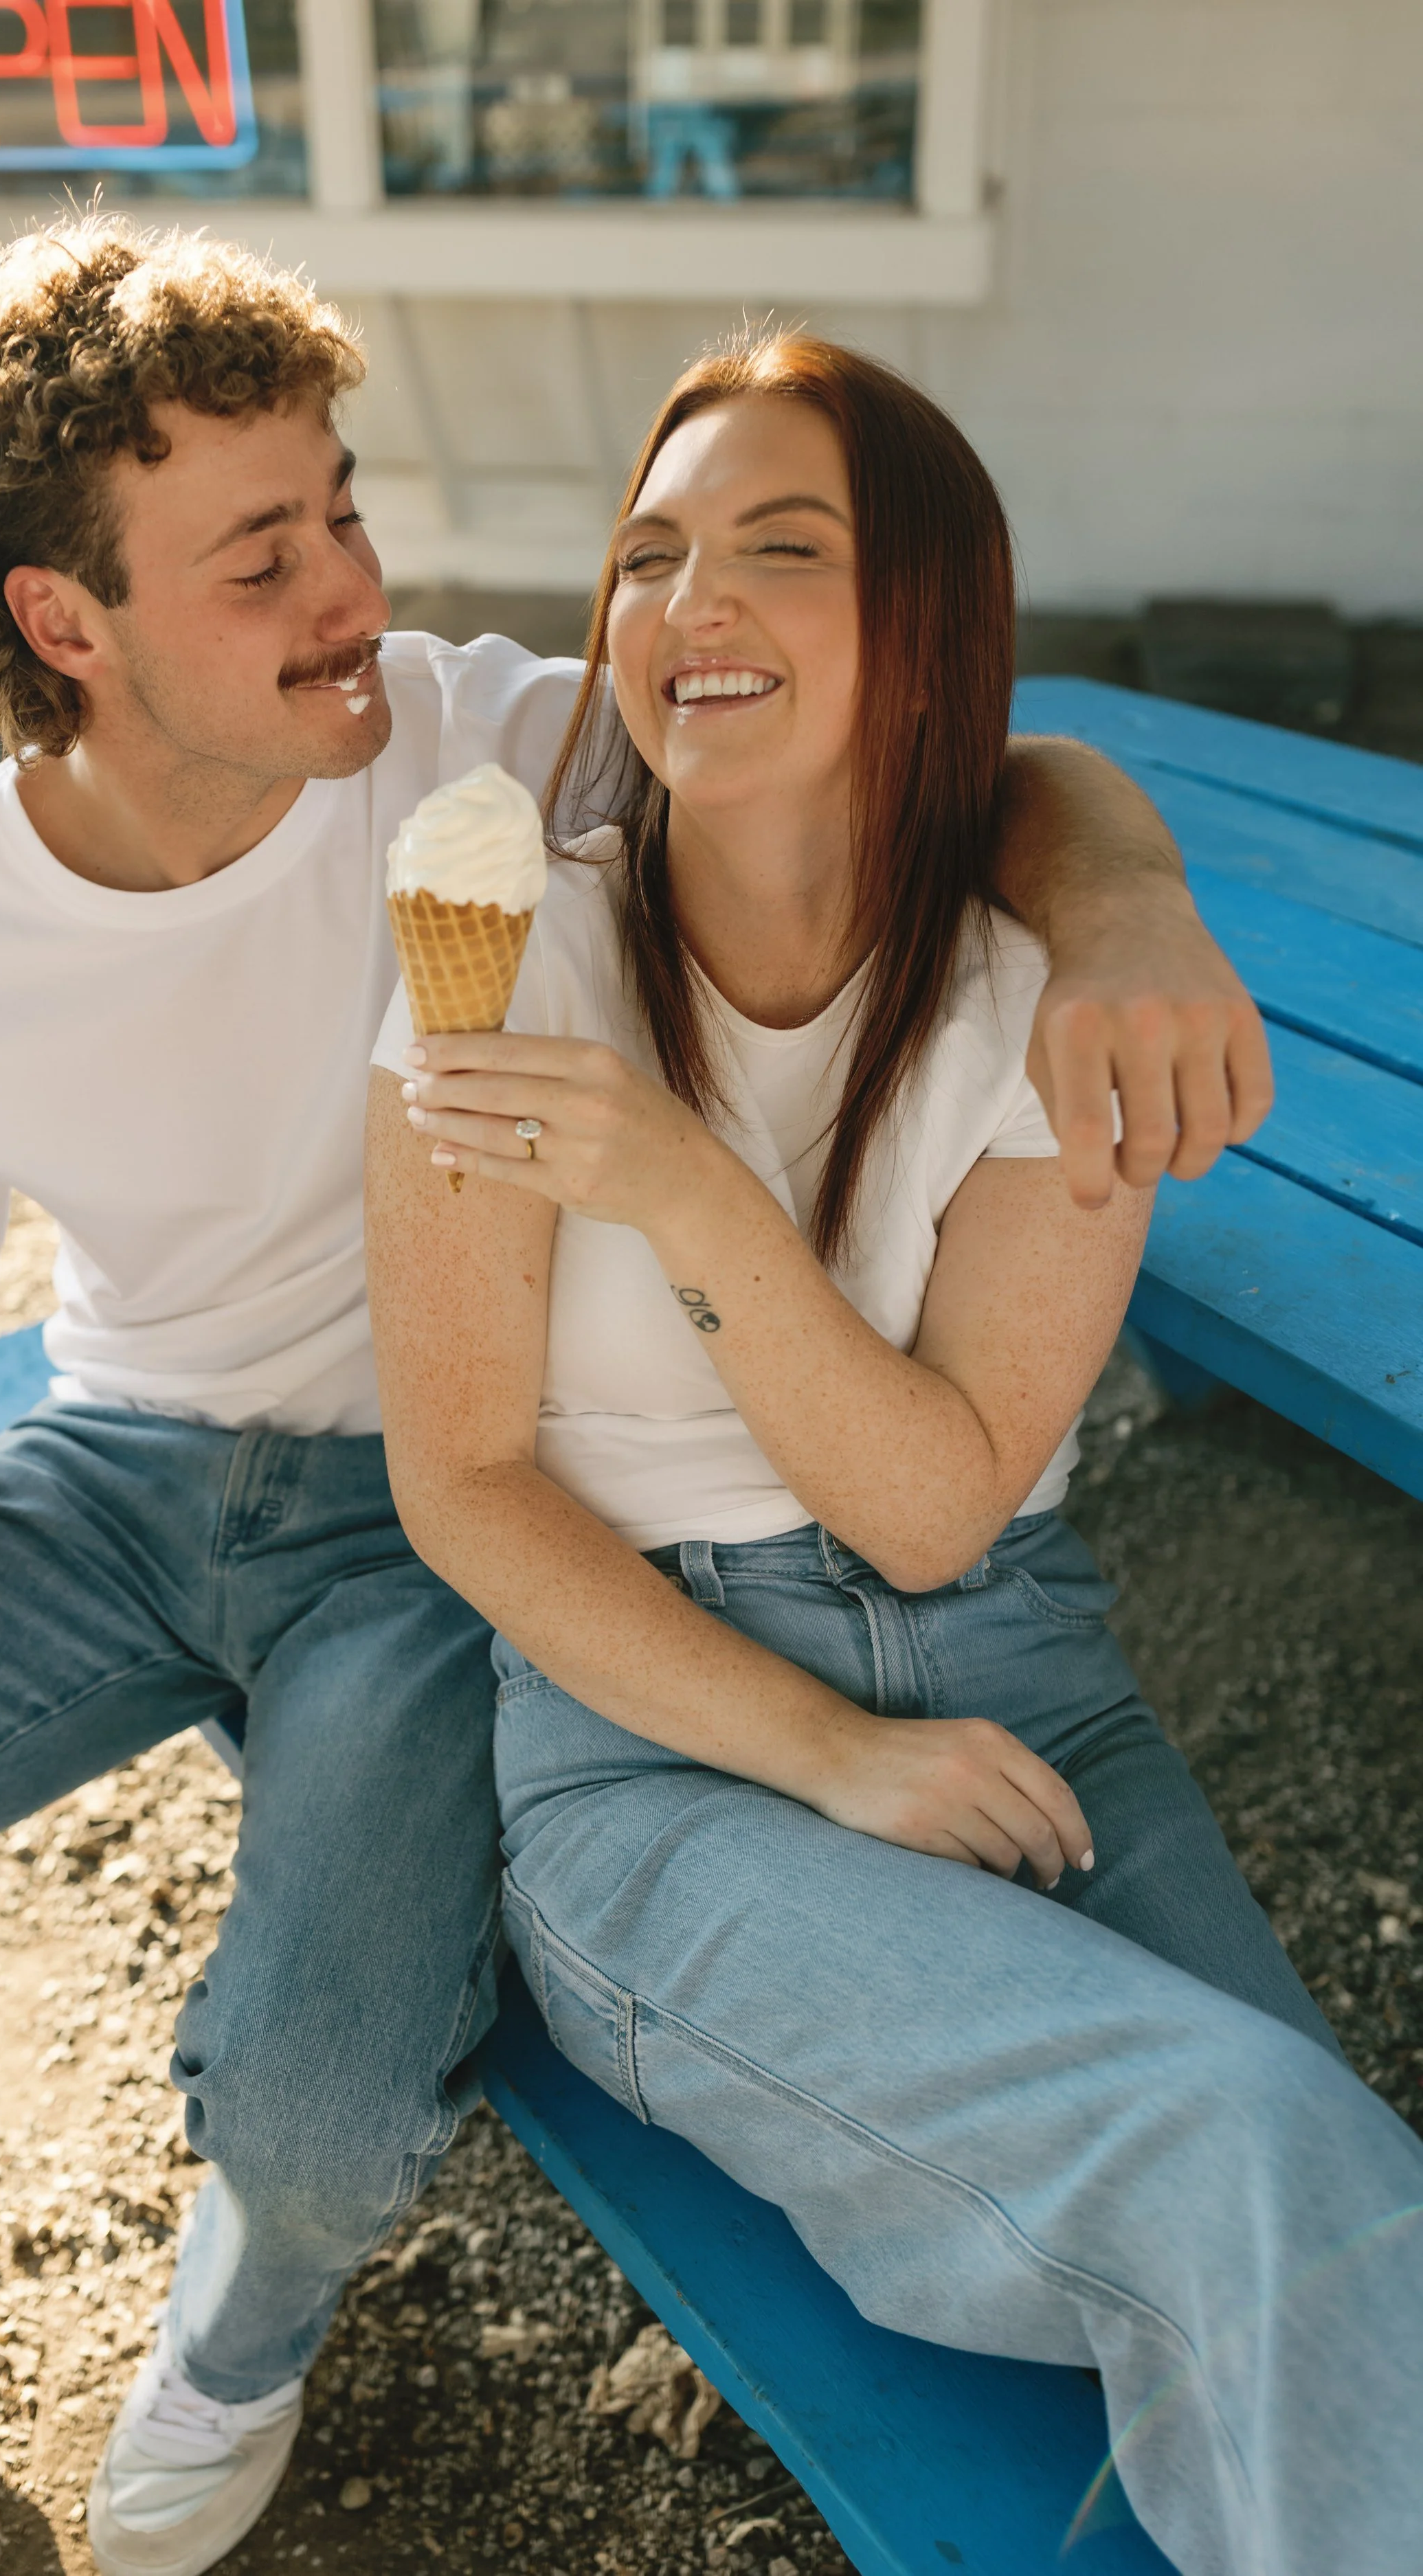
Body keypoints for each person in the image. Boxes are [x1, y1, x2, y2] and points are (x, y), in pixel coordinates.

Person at [0, 217, 1275, 2576]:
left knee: (324, 2101)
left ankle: (243, 2323)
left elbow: (947, 741)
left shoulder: (473, 725)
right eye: (266, 555)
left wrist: (1135, 904)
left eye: (342, 502)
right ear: (66, 621)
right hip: (123, 1468)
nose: (354, 581)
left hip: (441, 1520)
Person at [365, 332, 1423, 2576]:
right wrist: (823, 1753)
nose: (690, 604)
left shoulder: (1063, 995)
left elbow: (932, 1506)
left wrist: (684, 1188)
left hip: (1014, 1677)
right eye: (650, 555)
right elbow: (462, 1476)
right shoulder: (501, 969)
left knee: (1346, 2223)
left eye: (780, 547)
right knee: (1239, 2150)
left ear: (920, 620)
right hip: (662, 1752)